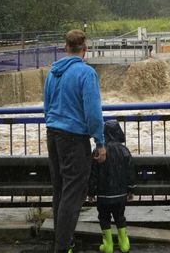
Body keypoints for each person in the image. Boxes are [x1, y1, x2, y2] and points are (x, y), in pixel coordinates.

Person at [44, 29, 106, 253]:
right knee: (73, 193)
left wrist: (53, 126)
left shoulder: (53, 72)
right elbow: (93, 112)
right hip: (74, 138)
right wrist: (99, 142)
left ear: (65, 47)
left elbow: (47, 104)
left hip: (53, 134)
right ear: (85, 49)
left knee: (60, 191)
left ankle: (63, 243)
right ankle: (62, 247)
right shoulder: (86, 73)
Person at [89, 120, 136, 253]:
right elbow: (130, 172)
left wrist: (91, 192)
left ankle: (108, 245)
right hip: (120, 195)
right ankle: (124, 243)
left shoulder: (98, 151)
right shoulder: (124, 150)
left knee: (104, 218)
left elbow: (93, 174)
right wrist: (131, 189)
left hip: (103, 195)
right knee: (120, 217)